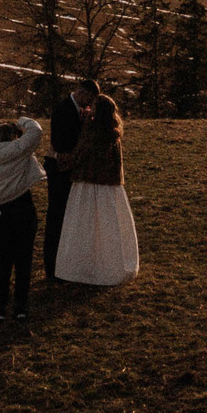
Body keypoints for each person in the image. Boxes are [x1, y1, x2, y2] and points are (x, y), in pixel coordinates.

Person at [49, 90, 139, 286]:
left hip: (88, 183)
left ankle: (84, 267)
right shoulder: (112, 131)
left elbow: (79, 155)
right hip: (109, 185)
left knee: (85, 226)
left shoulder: (93, 131)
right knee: (108, 226)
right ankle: (110, 264)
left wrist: (58, 158)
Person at [0, 117, 44, 324]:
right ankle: (20, 307)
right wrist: (22, 121)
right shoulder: (18, 150)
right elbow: (36, 131)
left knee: (3, 262)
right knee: (23, 261)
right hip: (22, 207)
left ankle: (0, 307)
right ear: (15, 137)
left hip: (0, 211)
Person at [43, 83, 94, 281]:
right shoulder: (64, 109)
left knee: (63, 216)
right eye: (89, 99)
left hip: (65, 169)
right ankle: (53, 266)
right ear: (82, 93)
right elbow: (61, 141)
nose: (89, 104)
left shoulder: (73, 108)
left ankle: (60, 264)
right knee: (57, 215)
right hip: (60, 170)